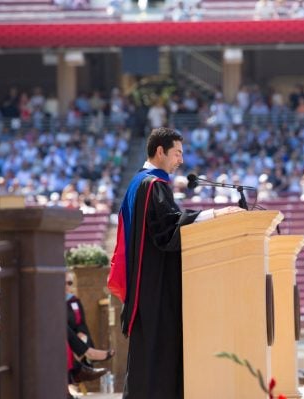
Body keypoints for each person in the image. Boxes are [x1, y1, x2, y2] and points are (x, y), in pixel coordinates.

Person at [108, 127, 244, 399]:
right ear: (160, 151)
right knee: (160, 358)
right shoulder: (153, 185)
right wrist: (213, 215)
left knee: (146, 360)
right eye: (177, 153)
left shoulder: (137, 184)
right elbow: (168, 229)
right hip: (157, 286)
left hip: (144, 283)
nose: (180, 160)